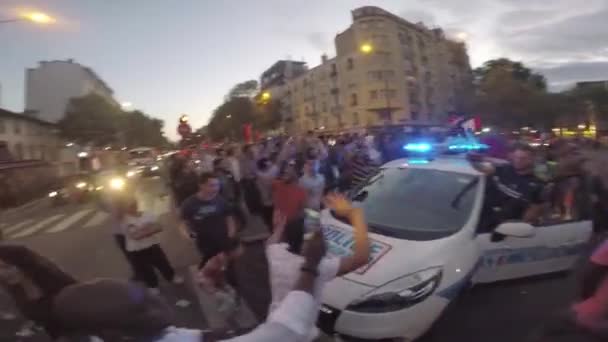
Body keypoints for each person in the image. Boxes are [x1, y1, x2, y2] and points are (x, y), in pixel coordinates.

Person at [53, 230, 330, 342]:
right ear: (113, 333)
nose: (154, 294)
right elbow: (284, 330)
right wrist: (311, 263)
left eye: (142, 290)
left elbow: (67, 299)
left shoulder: (133, 332)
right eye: (143, 304)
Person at [266, 193, 370, 341]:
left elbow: (273, 241)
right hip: (303, 335)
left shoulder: (275, 253)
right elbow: (361, 257)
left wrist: (280, 226)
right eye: (320, 234)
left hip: (274, 325)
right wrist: (355, 216)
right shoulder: (320, 268)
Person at [0, 245, 77, 341]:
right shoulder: (14, 288)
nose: (2, 274)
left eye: (7, 267)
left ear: (23, 264)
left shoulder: (55, 281)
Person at [468, 143, 545, 231]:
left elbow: (529, 218)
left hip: (504, 231)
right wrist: (474, 160)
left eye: (523, 158)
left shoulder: (537, 186)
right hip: (478, 223)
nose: (518, 161)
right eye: (516, 157)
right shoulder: (504, 170)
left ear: (531, 160)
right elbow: (481, 168)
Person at [120, 197, 182, 294]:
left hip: (152, 245)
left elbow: (160, 227)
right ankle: (153, 285)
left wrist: (142, 231)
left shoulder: (147, 214)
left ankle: (171, 277)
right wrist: (149, 228)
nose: (132, 207)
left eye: (133, 205)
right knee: (145, 269)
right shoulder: (124, 220)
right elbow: (135, 236)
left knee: (162, 263)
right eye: (129, 206)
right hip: (136, 250)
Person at [180, 172, 238, 268]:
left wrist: (231, 233)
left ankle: (231, 281)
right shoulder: (189, 204)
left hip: (223, 239)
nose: (216, 188)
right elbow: (183, 223)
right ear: (201, 185)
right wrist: (187, 235)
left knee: (228, 265)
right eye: (211, 185)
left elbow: (229, 217)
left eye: (217, 185)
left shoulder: (221, 200)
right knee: (213, 266)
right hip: (205, 243)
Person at [256, 157, 278, 228]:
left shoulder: (260, 175)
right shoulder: (264, 176)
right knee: (271, 219)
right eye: (268, 163)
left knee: (270, 219)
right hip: (269, 201)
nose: (270, 164)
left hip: (266, 201)